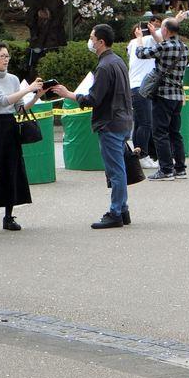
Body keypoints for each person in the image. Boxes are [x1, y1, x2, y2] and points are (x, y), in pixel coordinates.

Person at [51, 24, 134, 229]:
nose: (90, 41)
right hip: (123, 120)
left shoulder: (104, 66)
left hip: (110, 122)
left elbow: (94, 99)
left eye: (91, 37)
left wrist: (69, 94)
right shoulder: (118, 61)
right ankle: (122, 210)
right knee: (119, 168)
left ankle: (116, 212)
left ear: (100, 42)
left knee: (115, 170)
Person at [0, 42, 42, 234]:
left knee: (12, 169)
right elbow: (2, 101)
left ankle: (8, 216)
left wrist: (37, 96)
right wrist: (28, 89)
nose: (6, 60)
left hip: (11, 126)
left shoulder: (13, 79)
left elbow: (19, 108)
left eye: (7, 56)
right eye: (2, 56)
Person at [136, 17, 189, 181]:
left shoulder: (163, 47)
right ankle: (180, 168)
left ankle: (166, 170)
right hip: (177, 96)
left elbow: (141, 54)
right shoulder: (183, 48)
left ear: (165, 30)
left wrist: (139, 39)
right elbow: (166, 50)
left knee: (160, 133)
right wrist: (155, 35)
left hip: (162, 95)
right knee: (175, 133)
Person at [127, 18, 160, 170]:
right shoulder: (147, 40)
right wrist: (178, 19)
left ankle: (139, 154)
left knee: (140, 123)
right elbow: (164, 35)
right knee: (146, 123)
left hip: (133, 87)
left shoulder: (132, 44)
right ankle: (143, 155)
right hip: (142, 87)